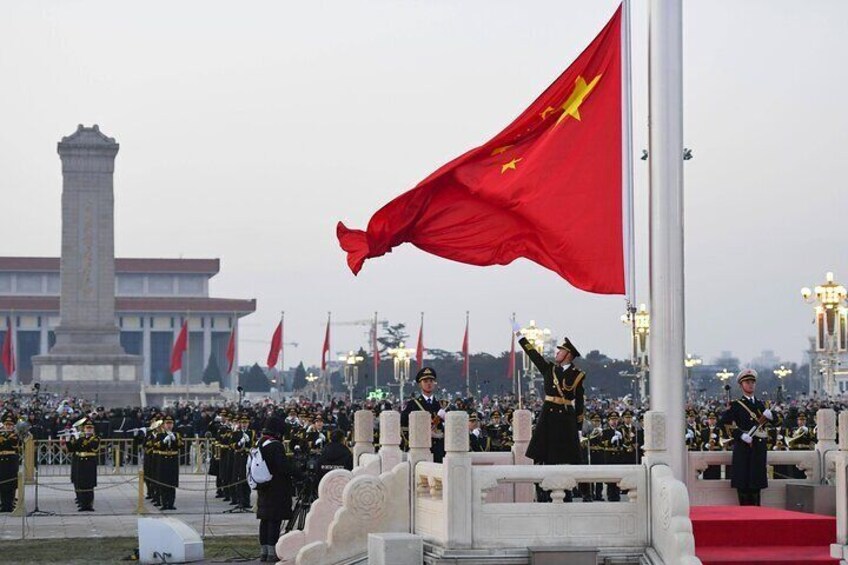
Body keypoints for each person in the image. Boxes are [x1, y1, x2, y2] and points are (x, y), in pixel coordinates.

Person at [513, 323, 588, 502]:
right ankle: (543, 492)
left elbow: (579, 402)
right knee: (544, 455)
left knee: (569, 456)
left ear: (568, 354)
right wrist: (520, 337)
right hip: (549, 415)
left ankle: (573, 491)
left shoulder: (577, 375)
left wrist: (578, 427)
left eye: (560, 351)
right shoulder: (549, 369)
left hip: (566, 417)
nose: (557, 353)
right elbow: (533, 353)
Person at [719, 368, 776, 506]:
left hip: (758, 448)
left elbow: (777, 423)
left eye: (752, 382)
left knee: (756, 486)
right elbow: (724, 424)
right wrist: (740, 435)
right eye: (747, 382)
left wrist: (772, 416)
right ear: (741, 385)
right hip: (744, 448)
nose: (750, 385)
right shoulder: (736, 405)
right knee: (744, 485)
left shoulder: (761, 405)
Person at [256, 416, 300, 563]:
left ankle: (264, 551)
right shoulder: (275, 445)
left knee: (265, 520)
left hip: (264, 487)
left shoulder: (260, 443)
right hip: (277, 488)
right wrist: (298, 472)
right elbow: (282, 467)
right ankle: (272, 552)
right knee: (274, 520)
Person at [400, 367, 446, 462]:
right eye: (425, 381)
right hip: (422, 448)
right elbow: (403, 426)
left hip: (440, 448)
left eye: (431, 381)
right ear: (420, 384)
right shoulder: (413, 405)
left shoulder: (442, 405)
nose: (429, 383)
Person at [64, 418, 100, 511]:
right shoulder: (81, 438)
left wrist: (78, 438)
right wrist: (68, 440)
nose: (89, 429)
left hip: (89, 463)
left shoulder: (95, 438)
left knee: (89, 484)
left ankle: (89, 504)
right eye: (87, 428)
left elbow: (91, 446)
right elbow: (73, 449)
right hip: (80, 462)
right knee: (80, 483)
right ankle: (82, 503)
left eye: (90, 428)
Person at [154, 415, 183, 510]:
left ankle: (171, 503)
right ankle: (164, 503)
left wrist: (174, 439)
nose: (169, 425)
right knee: (163, 482)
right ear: (164, 425)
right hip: (163, 460)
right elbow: (156, 446)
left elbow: (181, 445)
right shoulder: (159, 435)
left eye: (171, 423)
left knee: (171, 482)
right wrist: (164, 441)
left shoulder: (177, 434)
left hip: (173, 460)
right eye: (167, 423)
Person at [0, 412, 20, 512]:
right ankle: (4, 504)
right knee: (2, 483)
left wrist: (4, 439)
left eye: (10, 425)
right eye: (6, 424)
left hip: (11, 460)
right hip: (1, 460)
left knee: (11, 483)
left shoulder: (15, 435)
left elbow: (13, 444)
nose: (8, 426)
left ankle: (10, 503)